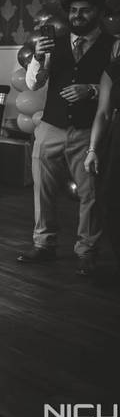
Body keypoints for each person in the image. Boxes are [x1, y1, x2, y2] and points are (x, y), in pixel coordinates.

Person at [20, 0, 114, 276]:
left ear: (97, 13)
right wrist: (38, 57)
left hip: (89, 130)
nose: (78, 15)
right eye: (73, 11)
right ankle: (44, 245)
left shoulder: (113, 45)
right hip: (50, 126)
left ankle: (87, 252)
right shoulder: (54, 44)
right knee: (43, 190)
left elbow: (117, 88)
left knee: (91, 194)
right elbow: (34, 84)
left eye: (84, 10)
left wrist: (92, 90)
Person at [83, 54, 120, 265]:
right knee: (111, 199)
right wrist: (92, 149)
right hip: (117, 141)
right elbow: (103, 113)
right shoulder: (114, 69)